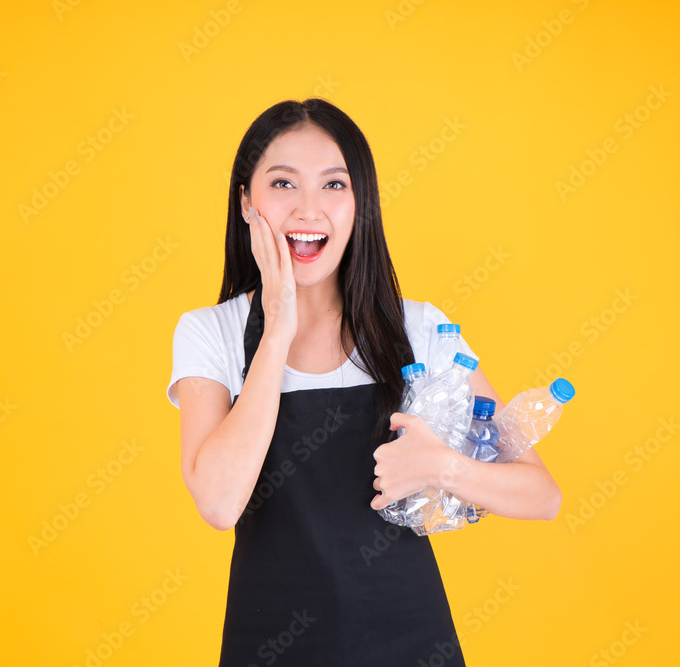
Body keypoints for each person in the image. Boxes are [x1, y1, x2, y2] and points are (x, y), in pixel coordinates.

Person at [166, 98, 561, 666]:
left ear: (361, 204)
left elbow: (542, 496)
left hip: (411, 641)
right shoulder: (212, 333)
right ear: (247, 202)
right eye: (282, 184)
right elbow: (220, 503)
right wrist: (276, 330)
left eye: (334, 185)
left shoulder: (419, 330)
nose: (308, 209)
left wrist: (443, 468)